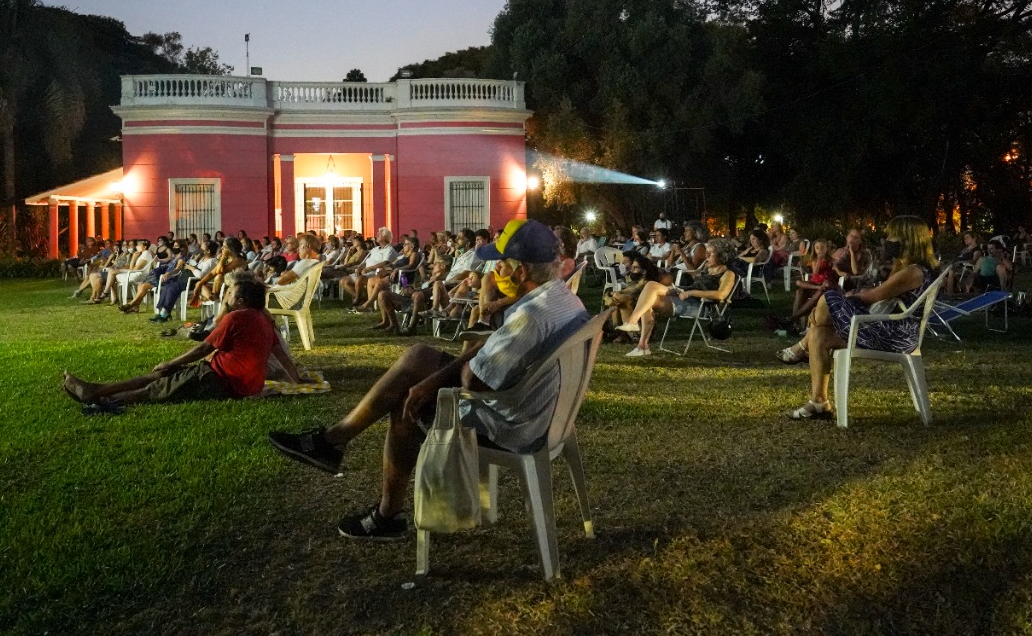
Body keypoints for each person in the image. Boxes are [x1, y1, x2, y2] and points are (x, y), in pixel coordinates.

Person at [267, 219, 588, 540]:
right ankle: (333, 440)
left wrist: (437, 379)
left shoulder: (530, 317)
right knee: (419, 356)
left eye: (501, 264)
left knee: (406, 404)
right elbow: (484, 359)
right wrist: (462, 360)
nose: (496, 271)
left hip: (512, 425)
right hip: (543, 411)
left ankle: (384, 514)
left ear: (521, 272)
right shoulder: (563, 299)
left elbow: (474, 381)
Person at [777, 216, 940, 419]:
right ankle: (819, 403)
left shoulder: (913, 271)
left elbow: (871, 297)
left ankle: (801, 346)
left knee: (829, 297)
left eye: (892, 235)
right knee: (819, 334)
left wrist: (852, 296)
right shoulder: (914, 268)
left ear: (907, 239)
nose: (888, 239)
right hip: (891, 328)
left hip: (895, 335)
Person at [62, 279, 303, 409]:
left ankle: (99, 397)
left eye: (229, 293)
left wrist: (171, 361)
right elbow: (280, 354)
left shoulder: (236, 317)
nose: (225, 296)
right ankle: (97, 390)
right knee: (156, 378)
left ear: (239, 300)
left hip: (219, 380)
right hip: (230, 381)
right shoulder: (263, 319)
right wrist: (298, 381)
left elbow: (203, 349)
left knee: (155, 388)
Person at [614, 239, 739, 357]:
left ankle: (640, 342)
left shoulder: (728, 274)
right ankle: (636, 332)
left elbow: (721, 295)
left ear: (722, 256)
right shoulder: (708, 269)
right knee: (650, 287)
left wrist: (691, 292)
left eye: (710, 254)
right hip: (686, 294)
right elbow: (694, 275)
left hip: (701, 305)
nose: (706, 256)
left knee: (649, 300)